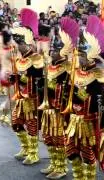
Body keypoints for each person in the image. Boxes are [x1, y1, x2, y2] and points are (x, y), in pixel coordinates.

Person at [64, 15, 104, 180]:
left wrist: (81, 93)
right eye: (78, 54)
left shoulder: (98, 74)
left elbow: (96, 99)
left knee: (88, 154)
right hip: (74, 118)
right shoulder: (74, 72)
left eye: (81, 55)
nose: (78, 57)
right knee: (72, 151)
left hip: (89, 121)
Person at [39, 19, 74, 179]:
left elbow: (70, 91)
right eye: (51, 48)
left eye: (54, 49)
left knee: (59, 139)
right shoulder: (50, 64)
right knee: (48, 138)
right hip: (48, 109)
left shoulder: (68, 68)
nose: (51, 51)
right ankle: (53, 163)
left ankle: (61, 168)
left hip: (59, 110)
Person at [11, 8, 42, 165]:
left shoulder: (36, 58)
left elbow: (35, 78)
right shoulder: (20, 57)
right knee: (16, 122)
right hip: (21, 96)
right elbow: (21, 77)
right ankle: (25, 148)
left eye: (20, 44)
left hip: (31, 98)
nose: (18, 46)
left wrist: (20, 77)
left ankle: (33, 153)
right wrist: (14, 78)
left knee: (31, 125)